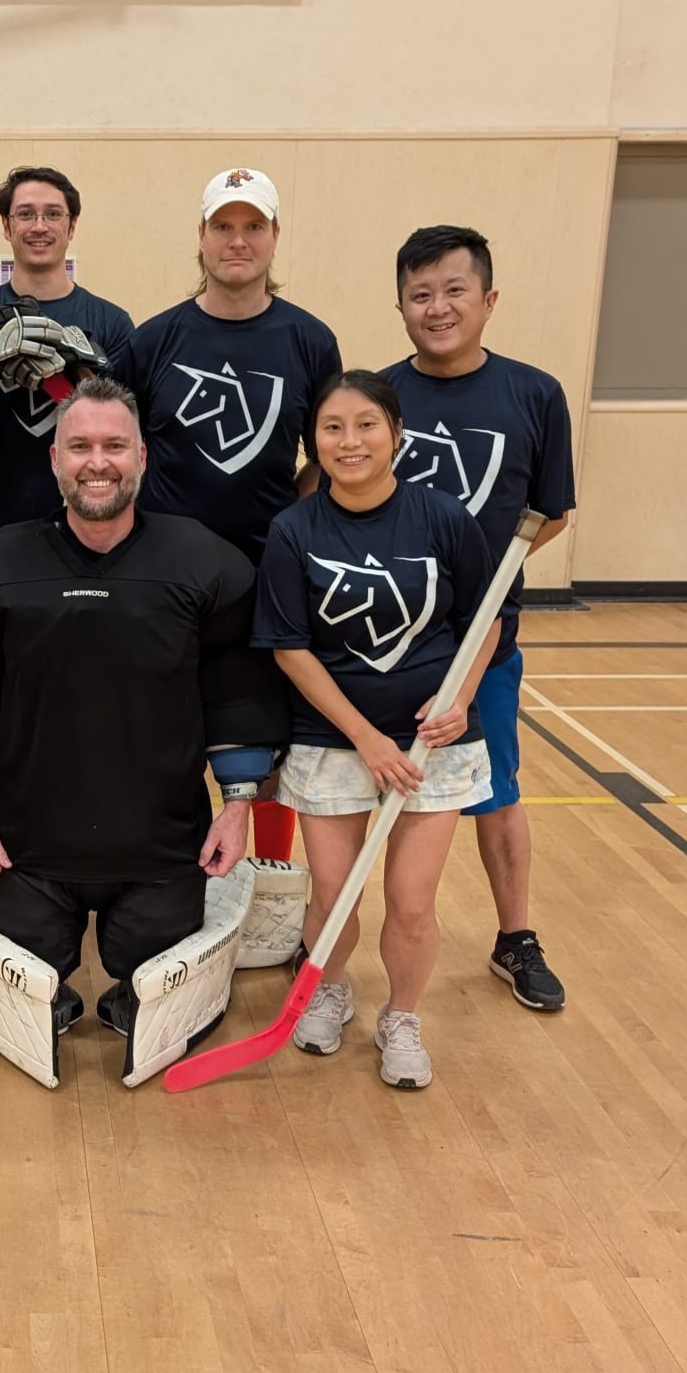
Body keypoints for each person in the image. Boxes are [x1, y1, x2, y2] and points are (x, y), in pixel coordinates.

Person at [0, 376, 289, 1038]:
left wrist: (237, 807)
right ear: (54, 458)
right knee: (33, 966)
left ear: (142, 458)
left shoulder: (206, 564)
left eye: (115, 445)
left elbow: (241, 693)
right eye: (80, 445)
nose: (98, 462)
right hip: (28, 847)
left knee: (146, 968)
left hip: (164, 847)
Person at [251, 370, 498, 1088]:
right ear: (315, 442)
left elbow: (486, 623)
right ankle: (328, 989)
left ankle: (402, 1016)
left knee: (413, 901)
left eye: (366, 425)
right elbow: (291, 648)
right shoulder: (294, 531)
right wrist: (364, 736)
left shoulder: (444, 518)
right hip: (335, 740)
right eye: (333, 427)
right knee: (333, 894)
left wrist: (463, 700)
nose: (350, 440)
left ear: (396, 434)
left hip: (435, 745)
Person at [117, 166, 342, 867]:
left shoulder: (309, 340)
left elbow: (334, 452)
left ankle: (266, 878)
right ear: (202, 237)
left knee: (261, 738)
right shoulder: (154, 340)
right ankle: (169, 873)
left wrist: (290, 526)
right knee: (164, 732)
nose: (237, 240)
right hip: (161, 576)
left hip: (263, 577)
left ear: (275, 237)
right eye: (224, 226)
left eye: (252, 226)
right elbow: (119, 452)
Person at [380, 225, 577, 1011]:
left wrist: (483, 581)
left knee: (496, 793)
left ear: (489, 299)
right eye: (420, 294)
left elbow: (550, 513)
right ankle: (335, 938)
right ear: (399, 305)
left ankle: (515, 938)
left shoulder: (535, 394)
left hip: (481, 646)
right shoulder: (379, 396)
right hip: (383, 645)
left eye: (454, 290)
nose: (438, 308)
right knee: (365, 793)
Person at [0, 166, 133, 549]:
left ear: (72, 226)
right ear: (7, 227)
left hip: (90, 535)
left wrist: (84, 375)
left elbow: (126, 439)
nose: (39, 225)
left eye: (53, 214)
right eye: (25, 214)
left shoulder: (111, 322)